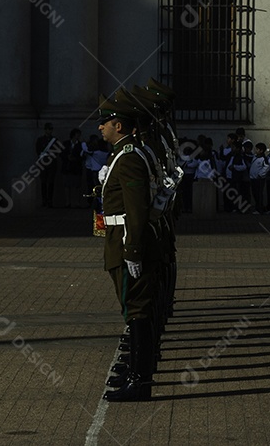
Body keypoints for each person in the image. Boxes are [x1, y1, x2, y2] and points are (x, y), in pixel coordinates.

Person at [98, 93, 159, 402]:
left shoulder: (130, 157)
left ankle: (140, 380)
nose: (100, 127)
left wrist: (132, 250)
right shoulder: (122, 154)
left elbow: (136, 209)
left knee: (136, 310)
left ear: (118, 126)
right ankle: (136, 373)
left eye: (104, 123)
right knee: (133, 309)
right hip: (119, 237)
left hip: (126, 240)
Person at [34, 123, 60, 207]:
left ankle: (50, 200)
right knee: (43, 182)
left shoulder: (55, 140)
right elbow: (38, 150)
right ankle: (44, 200)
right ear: (45, 130)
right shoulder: (40, 140)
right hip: (43, 162)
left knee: (51, 182)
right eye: (48, 129)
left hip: (52, 163)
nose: (49, 131)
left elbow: (57, 151)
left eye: (51, 129)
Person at [249, 142, 270, 214]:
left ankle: (259, 209)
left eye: (257, 149)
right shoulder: (255, 157)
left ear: (261, 151)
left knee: (259, 194)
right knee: (254, 194)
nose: (256, 150)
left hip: (259, 179)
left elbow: (267, 167)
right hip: (253, 178)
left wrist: (260, 174)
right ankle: (258, 207)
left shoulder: (264, 158)